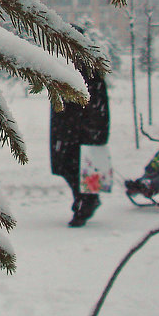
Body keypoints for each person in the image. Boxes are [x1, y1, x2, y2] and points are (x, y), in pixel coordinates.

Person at [50, 64, 109, 227]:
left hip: (81, 128)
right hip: (68, 126)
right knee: (66, 166)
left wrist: (94, 129)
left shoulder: (87, 68)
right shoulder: (65, 65)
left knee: (84, 168)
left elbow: (96, 101)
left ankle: (86, 202)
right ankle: (86, 200)